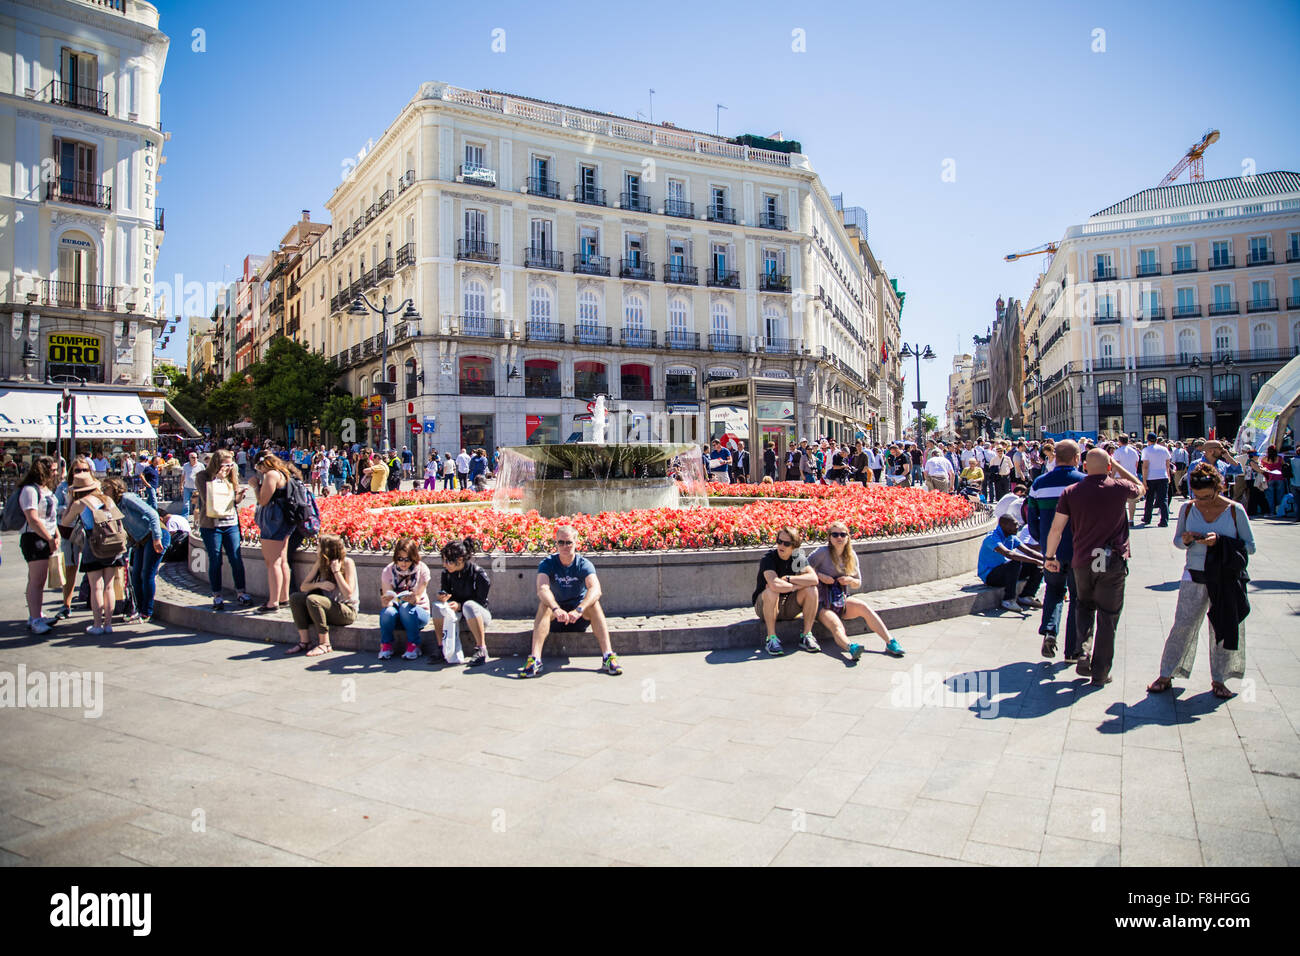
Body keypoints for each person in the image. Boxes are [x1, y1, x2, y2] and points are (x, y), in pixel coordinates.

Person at [1146, 463, 1255, 700]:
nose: (1202, 502)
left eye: (1207, 497)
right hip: (1194, 574)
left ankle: (1220, 679)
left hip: (1225, 578)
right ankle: (1167, 673)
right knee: (1183, 624)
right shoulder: (1187, 509)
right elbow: (1177, 541)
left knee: (1222, 628)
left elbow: (1250, 546)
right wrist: (1186, 540)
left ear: (1219, 488)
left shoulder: (1235, 511)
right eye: (1197, 497)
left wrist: (1221, 541)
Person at [1043, 446, 1144, 686]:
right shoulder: (1119, 488)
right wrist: (1117, 467)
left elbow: (1056, 529)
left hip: (1083, 561)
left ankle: (1084, 651)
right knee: (1108, 617)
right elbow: (1141, 489)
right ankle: (1100, 673)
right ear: (1109, 467)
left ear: (1084, 466)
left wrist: (1050, 557)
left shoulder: (1071, 491)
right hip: (1113, 562)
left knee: (1084, 607)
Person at [521, 524, 621, 678]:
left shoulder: (583, 564)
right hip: (556, 617)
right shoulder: (547, 563)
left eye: (569, 542)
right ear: (556, 544)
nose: (565, 546)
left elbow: (596, 589)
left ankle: (608, 656)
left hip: (578, 616)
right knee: (544, 604)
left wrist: (579, 609)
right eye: (561, 542)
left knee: (594, 603)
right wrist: (556, 608)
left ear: (576, 543)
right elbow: (542, 588)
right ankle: (535, 659)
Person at [807, 520, 905, 661]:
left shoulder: (851, 555)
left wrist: (850, 580)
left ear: (848, 537)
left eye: (842, 534)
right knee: (836, 624)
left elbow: (858, 582)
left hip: (841, 599)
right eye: (835, 535)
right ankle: (851, 647)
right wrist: (819, 576)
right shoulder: (822, 553)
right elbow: (802, 568)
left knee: (863, 607)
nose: (839, 538)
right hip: (822, 603)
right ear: (829, 537)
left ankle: (890, 641)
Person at [1028, 440, 1086, 660]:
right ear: (1076, 458)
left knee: (1054, 591)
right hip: (1079, 549)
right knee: (1079, 597)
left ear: (1055, 456)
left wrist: (1041, 540)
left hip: (1051, 550)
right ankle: (1072, 650)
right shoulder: (1084, 483)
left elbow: (1031, 517)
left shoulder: (1040, 483)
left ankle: (1050, 632)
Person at [59, 472, 127, 636]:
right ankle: (108, 624)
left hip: (94, 545)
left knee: (96, 586)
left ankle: (97, 624)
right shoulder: (107, 499)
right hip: (112, 544)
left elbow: (65, 522)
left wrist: (70, 502)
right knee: (109, 586)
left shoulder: (80, 503)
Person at [99, 476, 168, 623]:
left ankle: (146, 611)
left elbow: (152, 514)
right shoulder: (114, 505)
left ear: (115, 488)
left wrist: (157, 538)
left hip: (154, 535)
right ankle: (138, 608)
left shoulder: (127, 498)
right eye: (102, 489)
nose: (104, 492)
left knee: (146, 573)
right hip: (140, 540)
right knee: (135, 574)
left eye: (106, 489)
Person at [194, 450, 253, 609]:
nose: (227, 468)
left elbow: (233, 502)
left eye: (230, 464)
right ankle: (217, 595)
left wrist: (239, 496)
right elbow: (208, 500)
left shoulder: (232, 476)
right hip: (211, 525)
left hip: (230, 523)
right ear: (216, 463)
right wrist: (218, 480)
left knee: (236, 558)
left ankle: (241, 592)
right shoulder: (202, 477)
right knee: (215, 560)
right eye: (225, 465)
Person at [752, 525, 820, 656]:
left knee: (811, 590)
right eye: (779, 541)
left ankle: (806, 636)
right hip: (765, 606)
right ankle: (771, 639)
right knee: (772, 591)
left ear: (794, 546)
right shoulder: (769, 558)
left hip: (788, 605)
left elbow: (814, 579)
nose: (781, 546)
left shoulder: (797, 557)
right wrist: (796, 586)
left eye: (786, 543)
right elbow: (775, 585)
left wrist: (788, 579)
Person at [286, 534, 358, 657]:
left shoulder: (347, 562)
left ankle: (325, 644)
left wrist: (336, 572)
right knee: (295, 598)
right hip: (325, 608)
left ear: (327, 549)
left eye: (319, 546)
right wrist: (320, 584)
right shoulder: (321, 563)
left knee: (313, 599)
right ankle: (305, 641)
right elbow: (304, 587)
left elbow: (348, 594)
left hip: (346, 611)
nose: (316, 549)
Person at [432, 537, 492, 666]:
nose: (444, 565)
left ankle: (481, 648)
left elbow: (480, 602)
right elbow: (447, 592)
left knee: (469, 606)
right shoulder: (447, 573)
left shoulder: (478, 574)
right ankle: (441, 647)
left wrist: (460, 605)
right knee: (437, 607)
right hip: (456, 613)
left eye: (447, 561)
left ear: (459, 560)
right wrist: (444, 598)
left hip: (478, 615)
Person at [17, 456, 59, 633]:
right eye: (54, 469)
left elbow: (52, 516)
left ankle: (36, 614)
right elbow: (33, 519)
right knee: (37, 580)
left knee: (37, 579)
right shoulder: (30, 490)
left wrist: (55, 534)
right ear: (45, 470)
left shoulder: (45, 489)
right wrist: (49, 538)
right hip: (35, 538)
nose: (56, 472)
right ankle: (35, 618)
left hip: (46, 535)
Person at [250, 452, 294, 614]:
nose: (258, 471)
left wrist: (256, 486)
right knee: (282, 560)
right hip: (285, 520)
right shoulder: (283, 472)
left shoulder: (271, 475)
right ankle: (283, 598)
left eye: (257, 467)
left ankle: (273, 601)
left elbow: (263, 500)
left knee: (272, 561)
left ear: (262, 464)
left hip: (274, 520)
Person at [978, 513, 1045, 612]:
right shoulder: (992, 538)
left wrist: (1047, 559)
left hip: (1006, 572)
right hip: (991, 576)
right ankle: (1008, 600)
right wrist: (1035, 560)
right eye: (1014, 524)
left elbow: (1029, 552)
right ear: (1004, 525)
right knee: (1015, 562)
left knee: (1037, 566)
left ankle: (1027, 595)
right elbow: (1008, 554)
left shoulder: (1011, 537)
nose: (1017, 527)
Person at [379, 537, 431, 660]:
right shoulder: (388, 570)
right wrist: (386, 601)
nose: (403, 563)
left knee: (406, 607)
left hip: (418, 613)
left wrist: (413, 599)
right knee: (387, 612)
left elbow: (418, 597)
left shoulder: (422, 569)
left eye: (407, 559)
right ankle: (386, 645)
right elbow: (387, 596)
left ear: (413, 558)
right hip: (397, 613)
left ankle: (414, 644)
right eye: (400, 559)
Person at [1139, 433, 1172, 527]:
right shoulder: (1164, 449)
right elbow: (1167, 465)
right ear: (1157, 439)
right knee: (1163, 499)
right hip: (1163, 476)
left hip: (1151, 477)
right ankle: (1164, 520)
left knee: (1149, 499)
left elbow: (1145, 466)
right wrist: (1168, 476)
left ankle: (1147, 518)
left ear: (1148, 440)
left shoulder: (1146, 450)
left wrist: (1144, 480)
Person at [1112, 434, 1141, 527]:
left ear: (1119, 441)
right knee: (1132, 499)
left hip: (1119, 477)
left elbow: (1116, 466)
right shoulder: (1134, 451)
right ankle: (1131, 519)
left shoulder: (1118, 452)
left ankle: (1122, 519)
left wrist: (1111, 477)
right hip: (1132, 476)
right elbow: (1136, 464)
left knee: (1120, 500)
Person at [1259, 445, 1287, 516]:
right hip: (1280, 478)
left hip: (1269, 479)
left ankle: (1271, 512)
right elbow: (1284, 465)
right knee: (1280, 496)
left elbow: (1261, 467)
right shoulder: (1279, 458)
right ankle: (1279, 511)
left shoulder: (1264, 459)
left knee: (1270, 497)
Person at [181, 451, 200, 519]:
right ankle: (185, 518)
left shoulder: (200, 466)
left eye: (196, 457)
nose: (195, 459)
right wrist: (181, 485)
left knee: (197, 504)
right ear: (189, 458)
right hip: (187, 487)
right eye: (193, 457)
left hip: (196, 488)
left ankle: (197, 519)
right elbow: (183, 475)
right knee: (186, 504)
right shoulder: (185, 465)